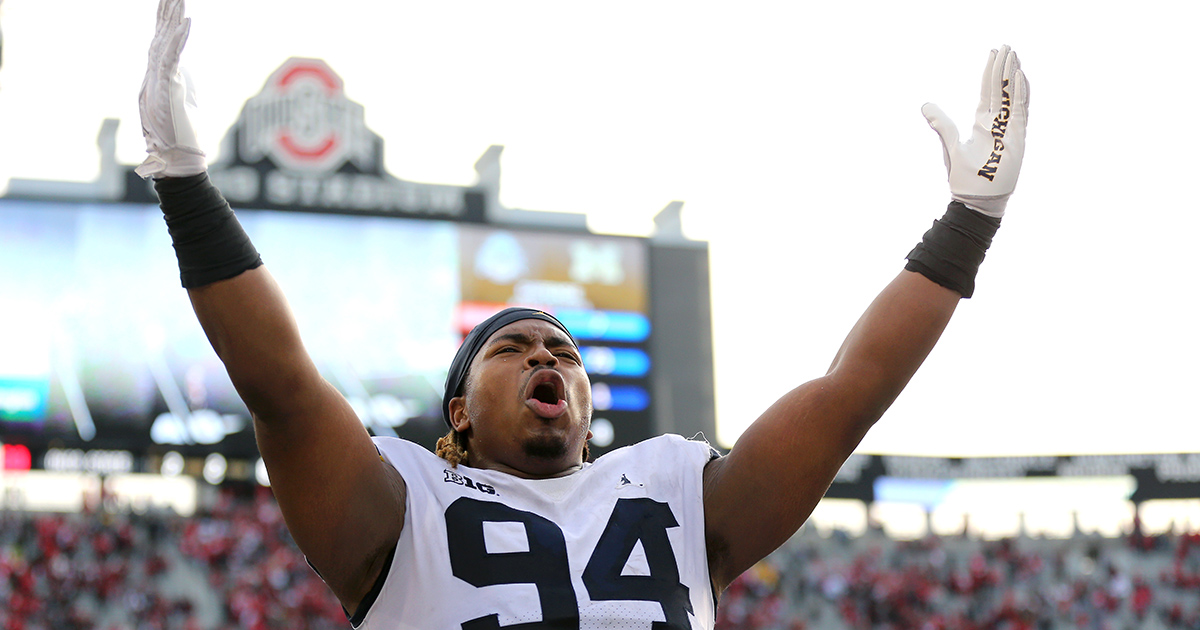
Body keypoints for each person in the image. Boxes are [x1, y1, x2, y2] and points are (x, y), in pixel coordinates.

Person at [136, 1, 1029, 627]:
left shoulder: (675, 490)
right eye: (514, 348)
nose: (545, 360)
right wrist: (182, 181)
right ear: (459, 411)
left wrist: (967, 226)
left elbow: (850, 394)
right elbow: (281, 387)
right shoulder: (401, 500)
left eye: (561, 351)